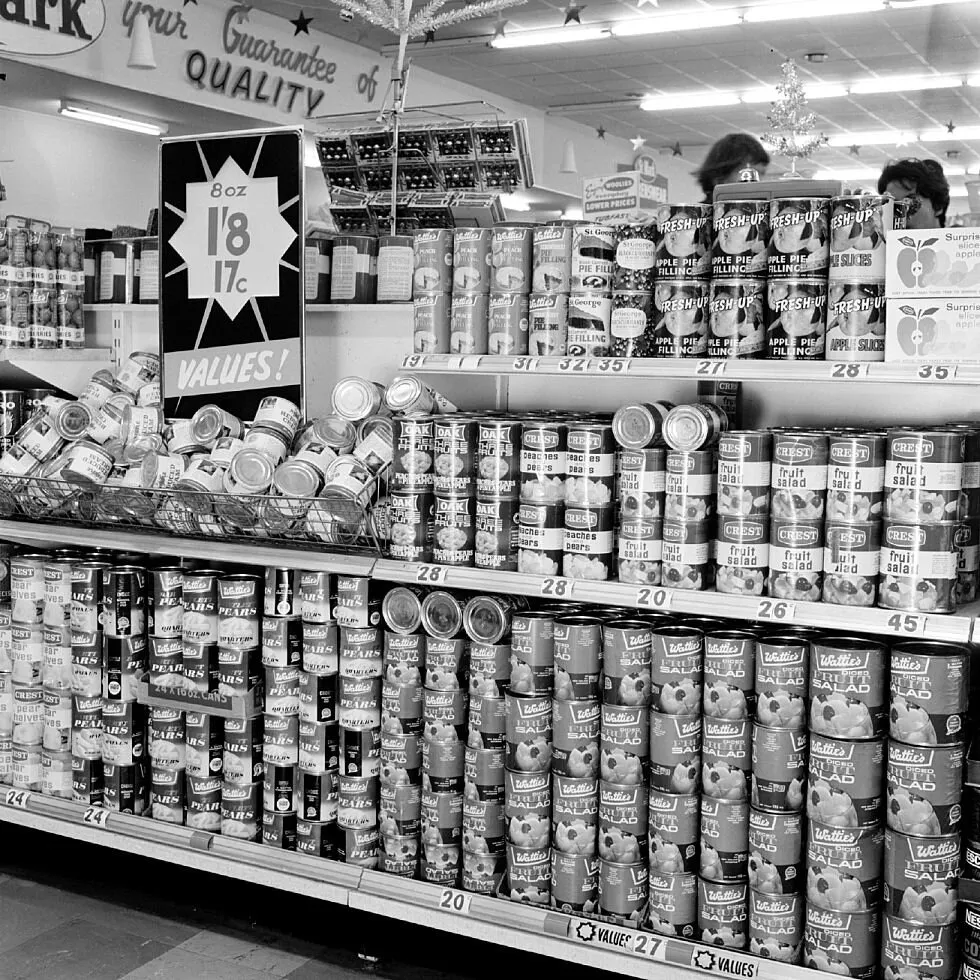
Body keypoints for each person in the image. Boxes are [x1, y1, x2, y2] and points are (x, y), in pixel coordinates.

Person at [695, 134, 771, 202]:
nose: (759, 182)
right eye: (748, 174)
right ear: (719, 179)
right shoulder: (697, 215)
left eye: (761, 174)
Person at [877, 158, 950, 228]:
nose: (899, 214)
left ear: (938, 206)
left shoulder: (959, 240)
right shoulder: (884, 239)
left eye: (910, 203)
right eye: (892, 206)